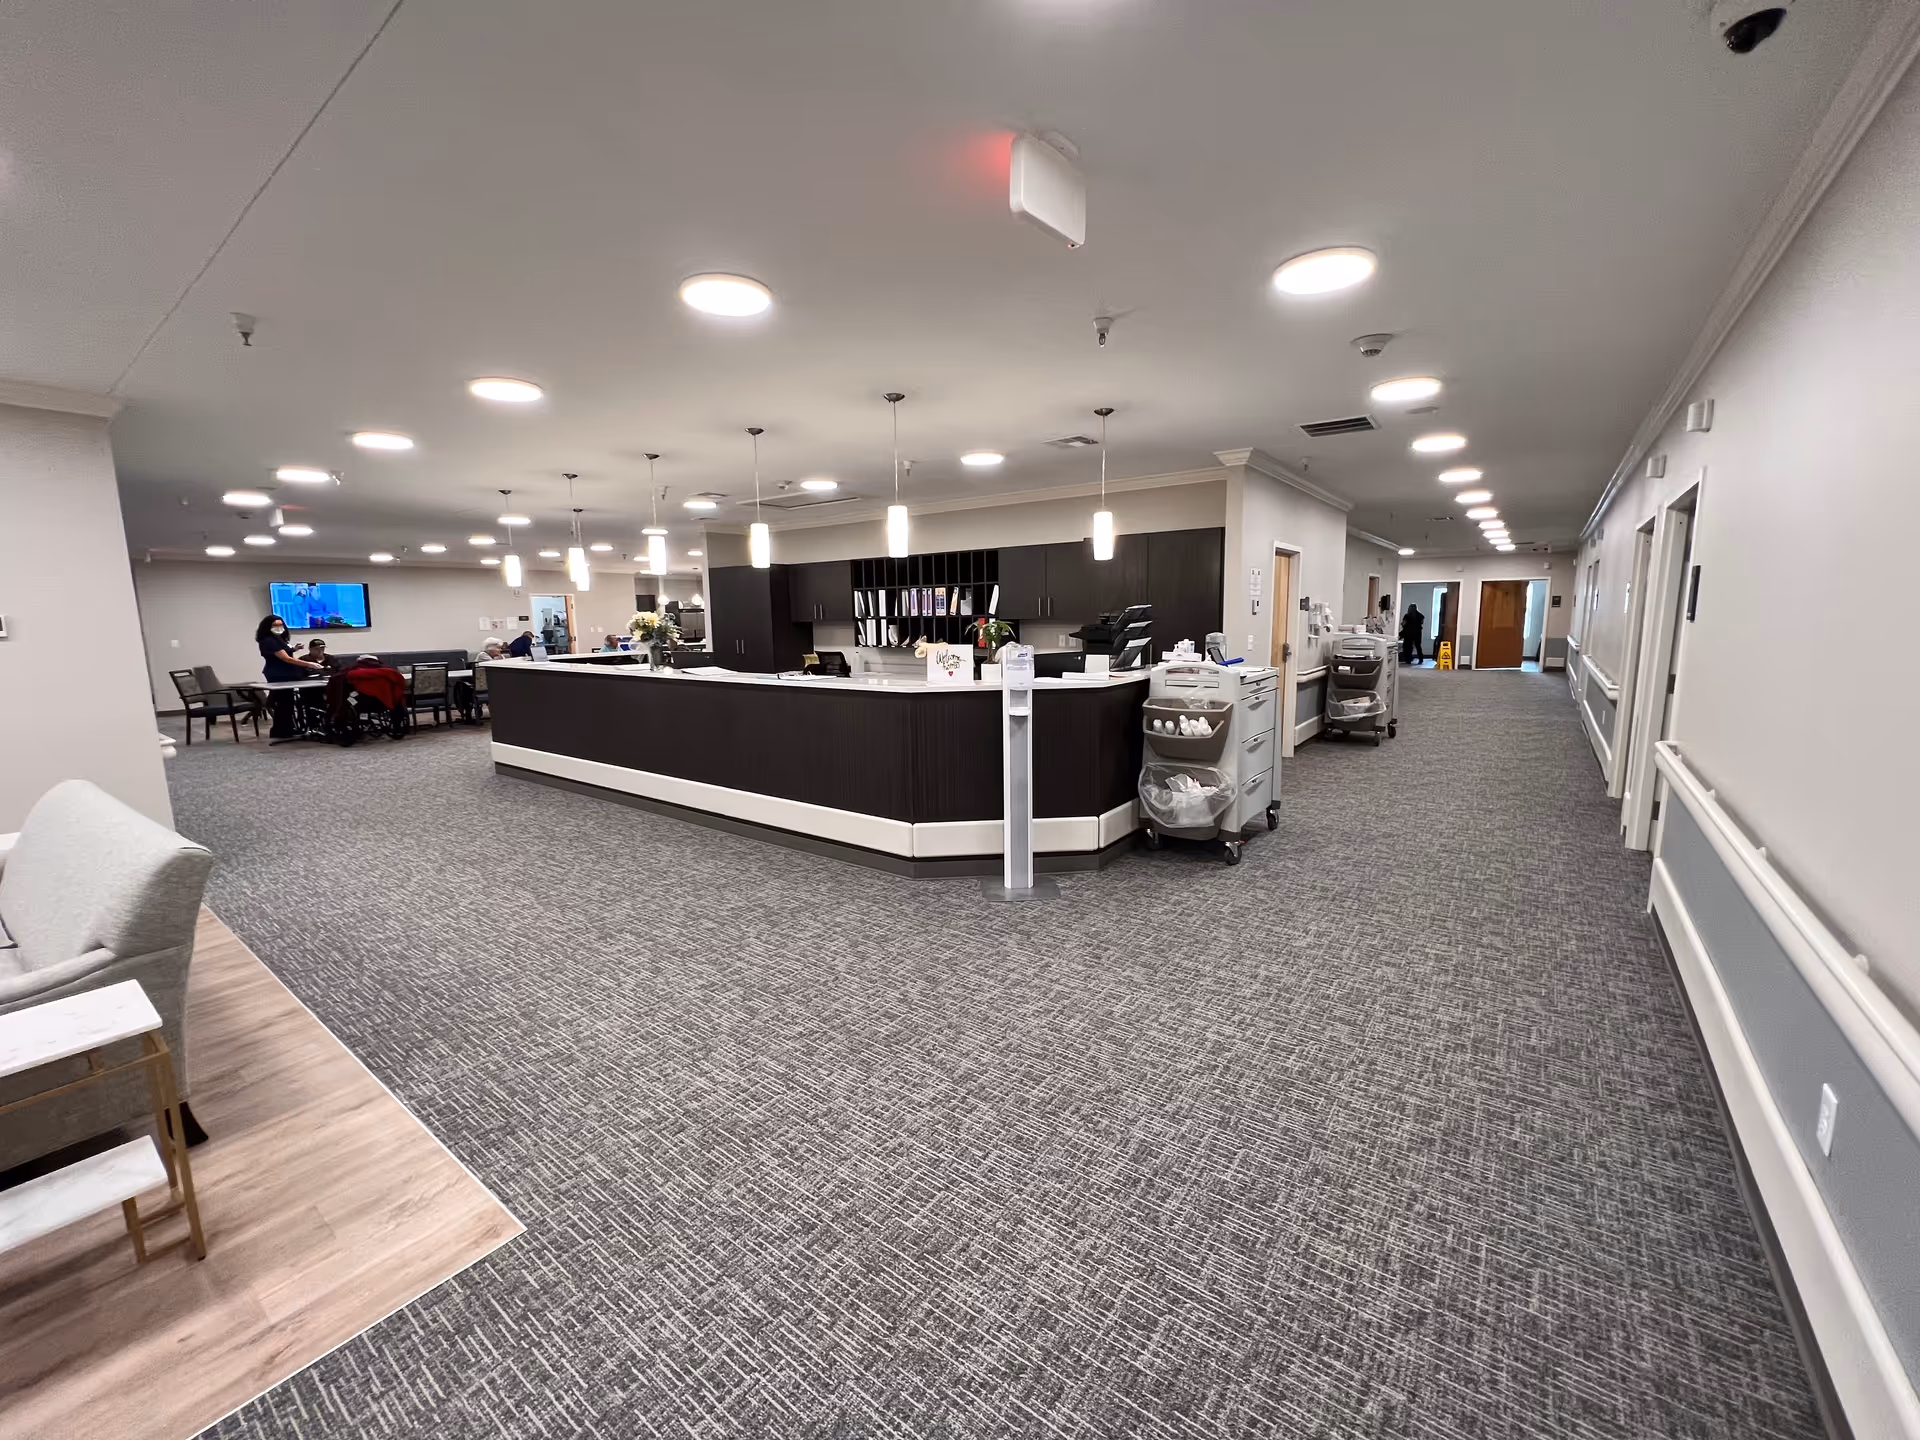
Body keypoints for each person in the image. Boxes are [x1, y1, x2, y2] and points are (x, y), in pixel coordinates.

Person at [256, 614, 324, 738]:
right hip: (278, 674)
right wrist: (308, 663)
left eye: (280, 624)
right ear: (268, 627)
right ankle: (280, 731)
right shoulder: (269, 641)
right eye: (275, 625)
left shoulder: (279, 639)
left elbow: (285, 652)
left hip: (286, 673)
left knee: (287, 702)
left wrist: (294, 649)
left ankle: (286, 728)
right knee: (283, 702)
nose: (278, 627)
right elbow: (286, 659)